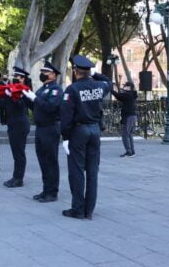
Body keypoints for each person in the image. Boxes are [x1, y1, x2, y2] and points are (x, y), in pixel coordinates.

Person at [60, 55, 112, 220]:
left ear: (76, 72)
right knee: (92, 171)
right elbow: (109, 83)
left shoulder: (72, 89)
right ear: (89, 71)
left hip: (79, 132)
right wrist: (95, 74)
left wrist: (66, 138)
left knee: (76, 171)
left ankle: (77, 209)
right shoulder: (99, 86)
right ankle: (89, 210)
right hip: (95, 131)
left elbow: (66, 116)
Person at [23, 61, 63, 202]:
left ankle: (52, 192)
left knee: (50, 160)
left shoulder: (56, 90)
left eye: (45, 72)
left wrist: (35, 98)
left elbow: (50, 107)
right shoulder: (42, 89)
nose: (43, 74)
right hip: (40, 128)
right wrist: (26, 97)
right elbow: (36, 107)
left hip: (50, 128)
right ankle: (46, 189)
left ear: (53, 75)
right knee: (43, 160)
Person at [2, 67, 33, 188]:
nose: (15, 78)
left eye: (18, 77)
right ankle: (16, 176)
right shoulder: (13, 89)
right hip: (13, 123)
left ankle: (18, 178)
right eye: (15, 76)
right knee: (16, 152)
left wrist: (14, 97)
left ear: (23, 79)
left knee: (19, 152)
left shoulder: (25, 91)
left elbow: (23, 105)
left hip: (20, 124)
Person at [111, 82, 138, 158]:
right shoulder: (131, 94)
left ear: (129, 87)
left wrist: (110, 90)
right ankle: (132, 151)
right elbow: (120, 97)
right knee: (129, 135)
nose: (124, 87)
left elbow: (118, 96)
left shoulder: (128, 94)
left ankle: (129, 152)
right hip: (132, 116)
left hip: (129, 117)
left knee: (125, 135)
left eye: (125, 86)